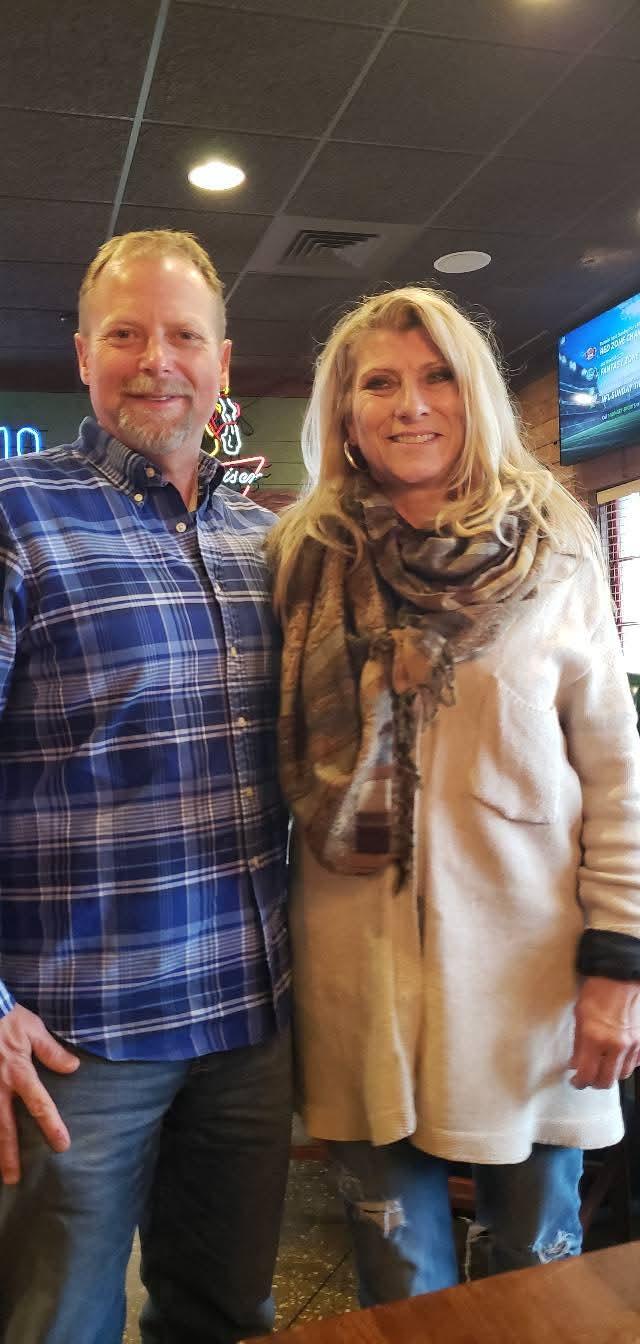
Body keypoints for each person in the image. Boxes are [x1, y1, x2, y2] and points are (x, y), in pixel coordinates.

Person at [266, 286, 640, 1305]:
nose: (409, 404)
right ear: (342, 412)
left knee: (537, 1282)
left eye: (435, 376)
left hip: (527, 984)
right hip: (355, 981)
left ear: (473, 393)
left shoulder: (557, 554)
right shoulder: (298, 559)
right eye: (377, 382)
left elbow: (613, 773)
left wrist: (617, 967)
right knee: (403, 1288)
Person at [0, 230, 292, 1344]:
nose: (154, 360)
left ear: (222, 361)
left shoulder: (264, 544)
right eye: (126, 334)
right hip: (78, 1038)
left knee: (228, 1314)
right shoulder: (15, 517)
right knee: (54, 1324)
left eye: (182, 336)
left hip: (247, 1029)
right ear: (82, 355)